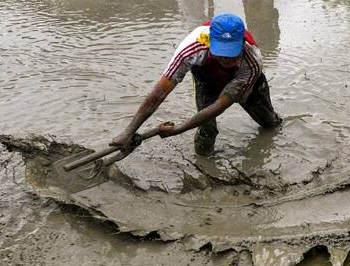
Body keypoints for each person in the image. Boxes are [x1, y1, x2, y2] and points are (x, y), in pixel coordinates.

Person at [110, 12, 281, 157]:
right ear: (209, 42)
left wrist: (179, 129)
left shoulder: (252, 62)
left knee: (269, 123)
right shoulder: (192, 48)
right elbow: (159, 93)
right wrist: (129, 131)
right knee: (207, 129)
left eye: (232, 53)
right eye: (221, 52)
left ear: (242, 43)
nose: (226, 59)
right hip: (206, 79)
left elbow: (219, 106)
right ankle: (205, 163)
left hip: (245, 83)